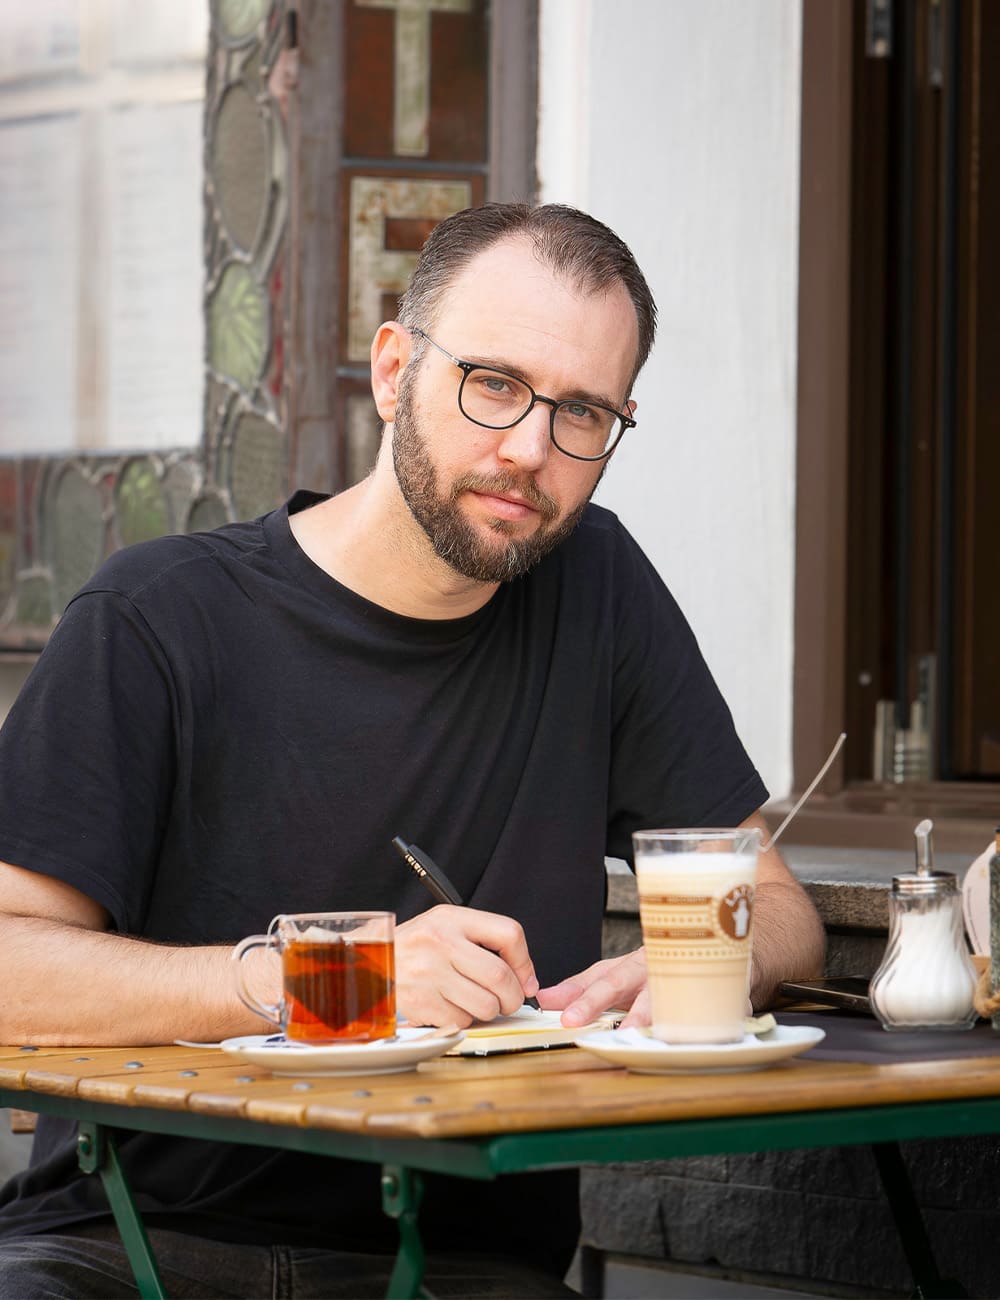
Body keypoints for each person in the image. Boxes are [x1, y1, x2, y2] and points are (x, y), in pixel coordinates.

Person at [0, 202, 824, 1297]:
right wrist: (336, 981)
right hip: (127, 1242)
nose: (529, 449)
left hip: (455, 1264)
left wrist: (704, 969)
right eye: (495, 383)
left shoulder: (600, 591)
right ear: (394, 371)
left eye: (582, 412)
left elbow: (783, 912)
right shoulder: (158, 615)